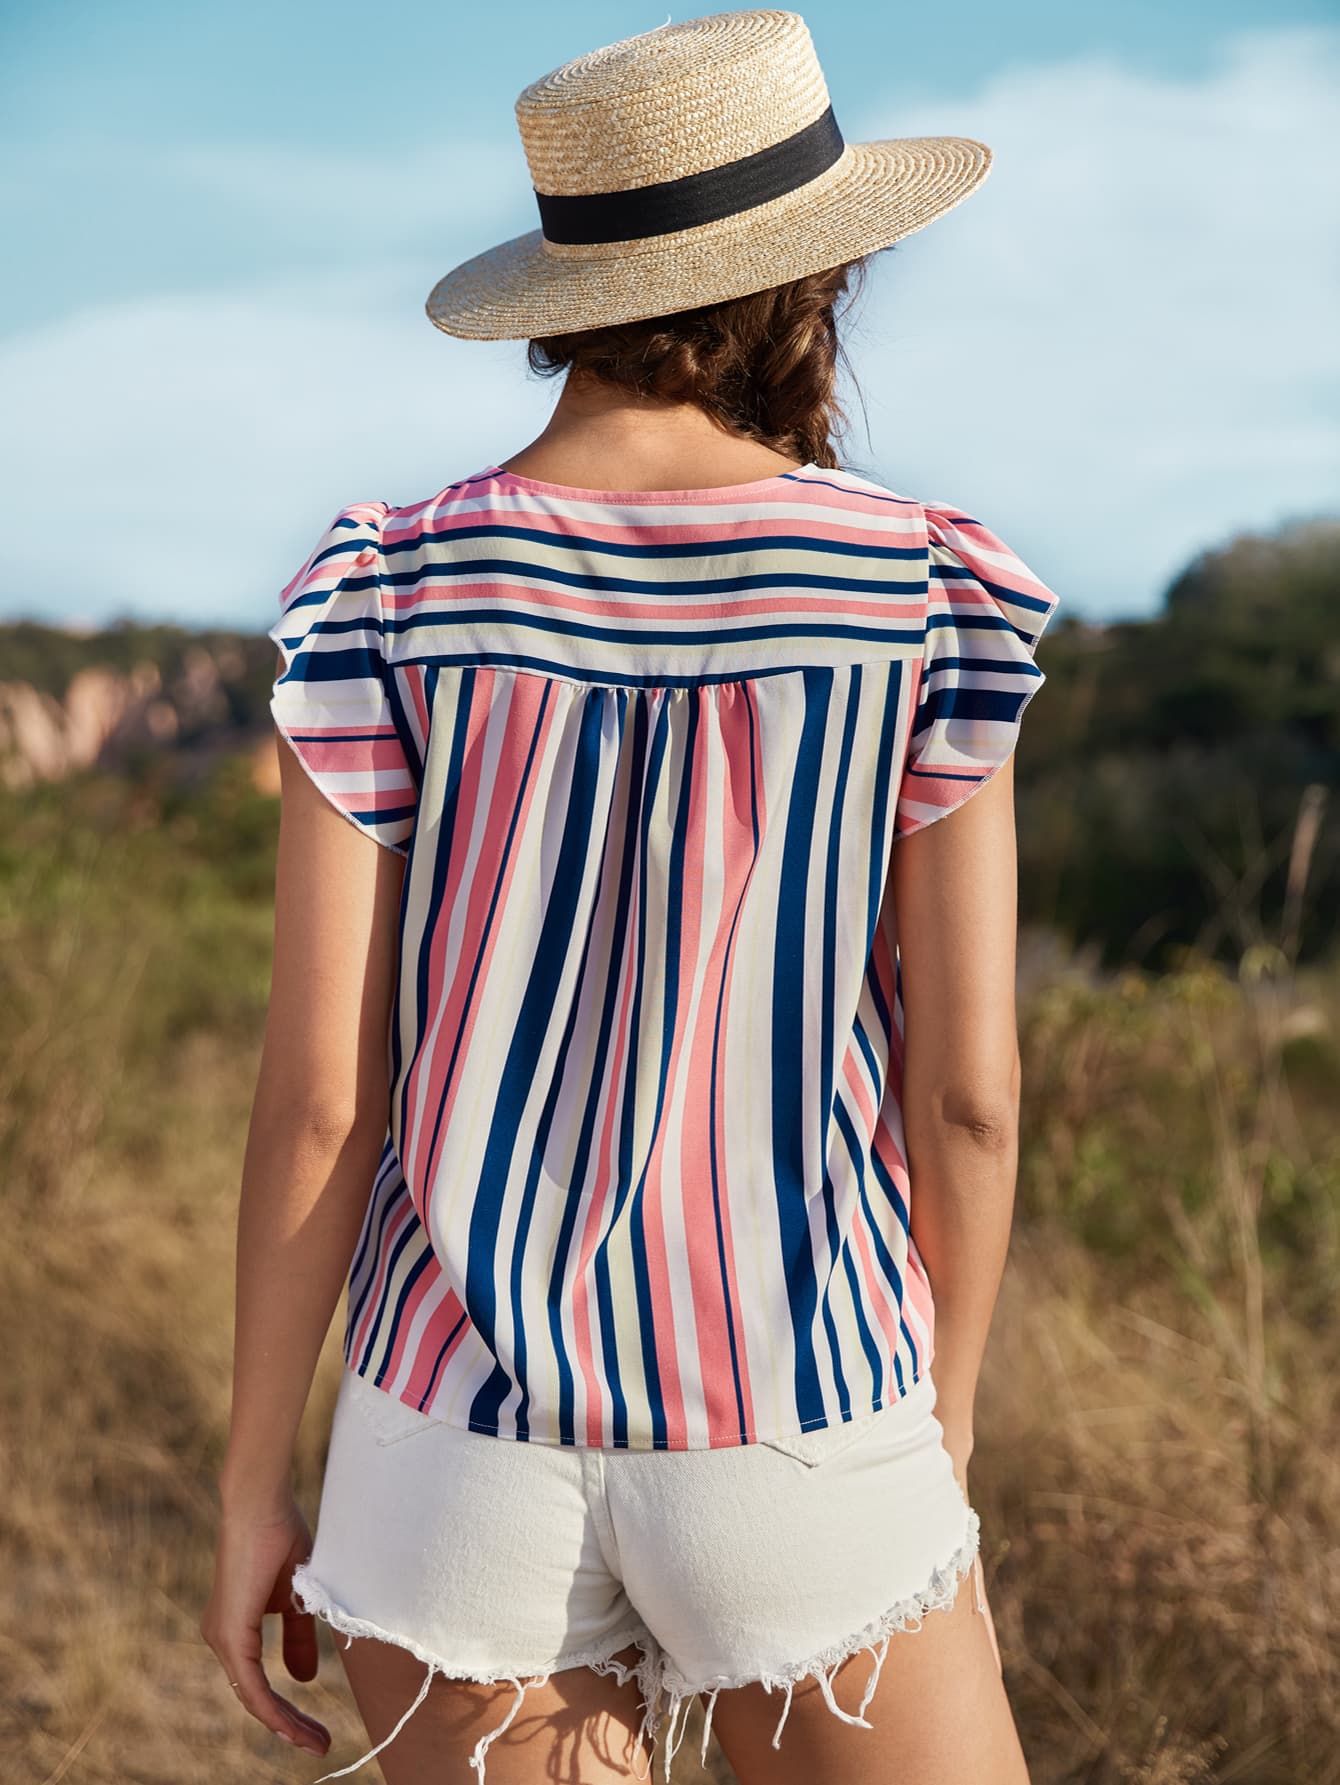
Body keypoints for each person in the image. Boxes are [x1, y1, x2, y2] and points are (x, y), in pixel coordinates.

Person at [200, 11, 1056, 1783]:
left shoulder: (391, 585)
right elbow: (968, 1098)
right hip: (803, 1397)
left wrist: (248, 1488)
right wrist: (940, 1418)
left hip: (449, 1429)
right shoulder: (919, 584)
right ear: (801, 279)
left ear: (566, 290)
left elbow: (317, 1103)